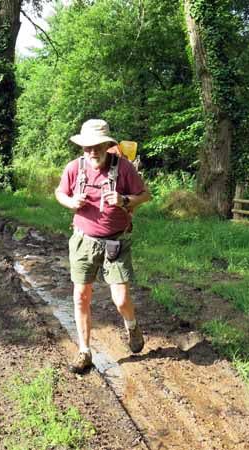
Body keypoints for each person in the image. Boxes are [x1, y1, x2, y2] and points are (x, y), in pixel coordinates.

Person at [55, 119, 152, 374]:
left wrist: (124, 199)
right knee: (81, 296)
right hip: (83, 241)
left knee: (120, 299)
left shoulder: (124, 168)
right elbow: (59, 193)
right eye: (87, 147)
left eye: (97, 146)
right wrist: (71, 202)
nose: (92, 151)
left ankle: (131, 326)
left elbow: (145, 195)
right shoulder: (74, 168)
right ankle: (84, 351)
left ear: (107, 145)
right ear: (82, 148)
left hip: (115, 241)